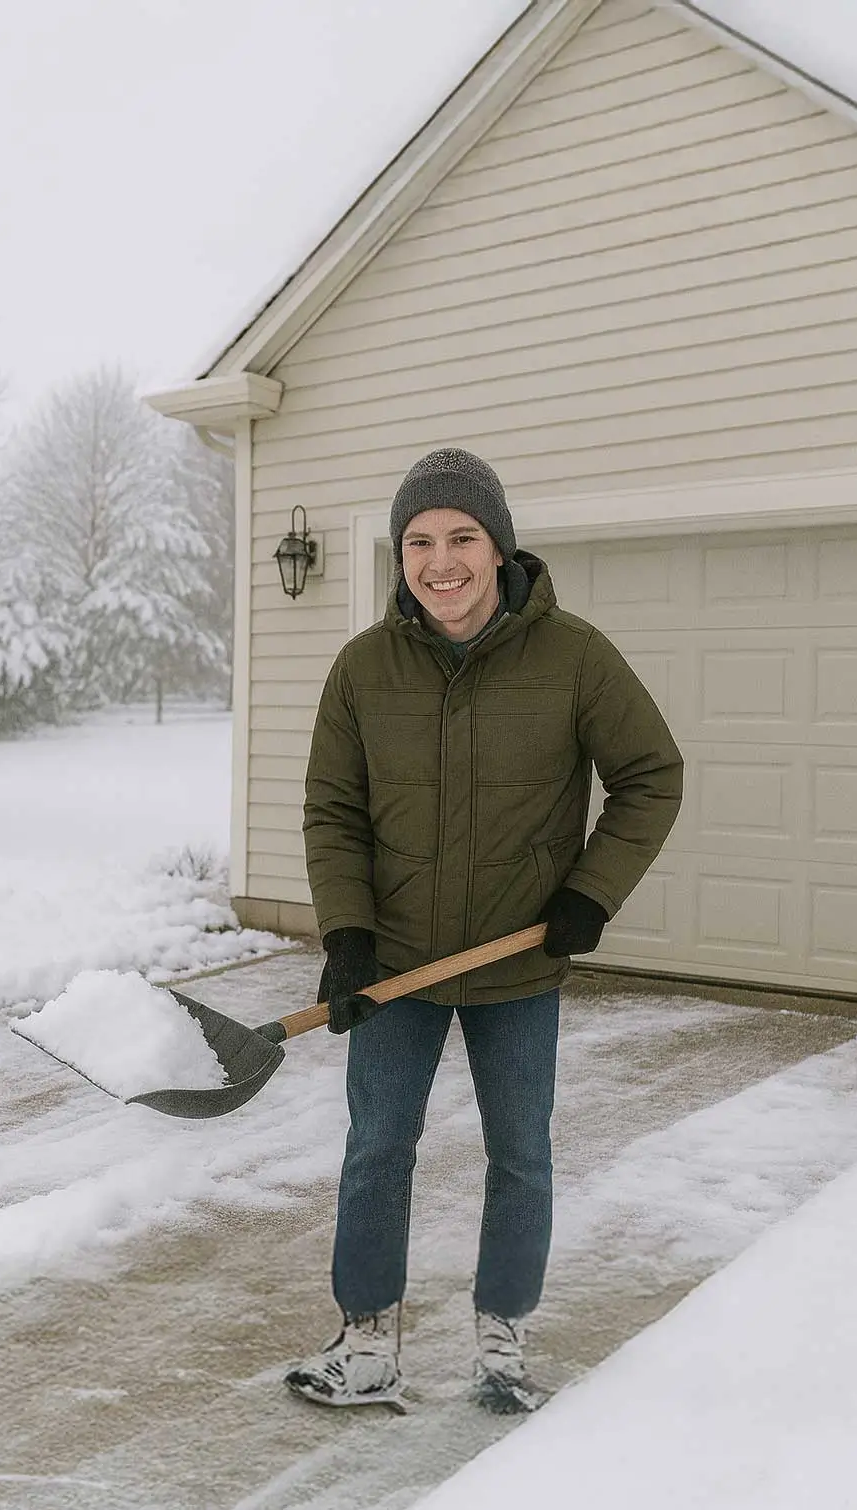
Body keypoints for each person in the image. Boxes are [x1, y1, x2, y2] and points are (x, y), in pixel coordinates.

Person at [283, 447, 683, 1415]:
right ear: (399, 557)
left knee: (522, 1153)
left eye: (462, 537)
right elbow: (332, 812)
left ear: (500, 549)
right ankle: (367, 1338)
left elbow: (651, 775)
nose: (441, 560)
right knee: (377, 1146)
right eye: (419, 541)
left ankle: (502, 1336)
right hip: (395, 966)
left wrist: (590, 893)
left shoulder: (574, 656)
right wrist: (346, 933)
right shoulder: (363, 667)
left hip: (518, 960)